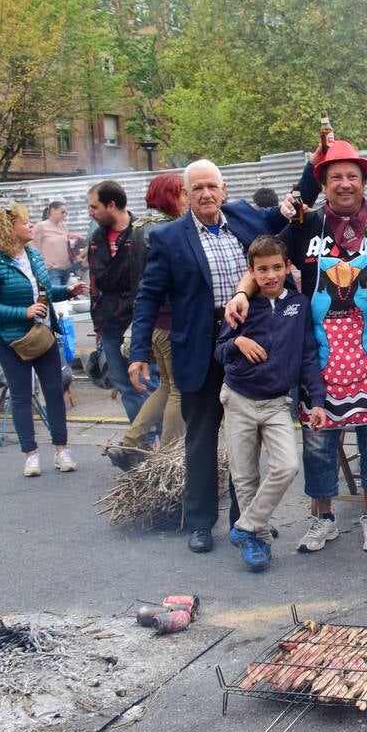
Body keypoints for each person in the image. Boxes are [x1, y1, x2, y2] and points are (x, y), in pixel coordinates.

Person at [254, 140, 367, 554]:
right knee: (319, 443)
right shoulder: (306, 224)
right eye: (335, 176)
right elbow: (263, 257)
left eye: (352, 177)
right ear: (323, 183)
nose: (344, 184)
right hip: (317, 358)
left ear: (364, 181)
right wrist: (241, 293)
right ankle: (321, 518)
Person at [129, 159, 288, 554]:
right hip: (197, 350)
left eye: (211, 187)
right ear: (184, 194)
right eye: (196, 188)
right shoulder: (168, 238)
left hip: (243, 345)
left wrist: (317, 162)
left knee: (245, 440)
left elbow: (287, 216)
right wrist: (138, 352)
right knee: (200, 439)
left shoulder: (241, 219)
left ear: (224, 190)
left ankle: (245, 519)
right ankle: (200, 522)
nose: (205, 194)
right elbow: (148, 297)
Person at [216, 235, 327, 572]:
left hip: (278, 402)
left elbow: (308, 354)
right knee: (244, 476)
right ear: (251, 271)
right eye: (262, 269)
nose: (270, 275)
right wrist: (239, 341)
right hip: (239, 398)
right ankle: (257, 541)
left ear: (287, 267)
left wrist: (317, 400)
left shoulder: (299, 304)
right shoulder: (241, 306)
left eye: (277, 267)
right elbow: (220, 352)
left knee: (286, 466)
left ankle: (244, 527)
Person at [0, 205, 88, 476]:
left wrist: (66, 291)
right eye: (25, 222)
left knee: (54, 391)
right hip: (11, 340)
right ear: (8, 228)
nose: (31, 225)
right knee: (22, 396)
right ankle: (31, 455)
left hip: (43, 334)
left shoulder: (33, 254)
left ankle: (62, 450)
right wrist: (21, 312)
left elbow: (44, 292)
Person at [107, 174, 187, 469]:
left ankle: (130, 443)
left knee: (165, 386)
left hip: (151, 320)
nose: (186, 198)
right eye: (182, 193)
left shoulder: (139, 227)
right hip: (170, 320)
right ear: (170, 195)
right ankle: (167, 456)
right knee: (178, 388)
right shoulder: (166, 229)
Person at [88, 180, 154, 422]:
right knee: (124, 386)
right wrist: (97, 324)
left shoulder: (142, 232)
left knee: (147, 383)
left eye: (94, 207)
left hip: (138, 321)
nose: (90, 212)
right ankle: (143, 445)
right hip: (109, 323)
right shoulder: (96, 238)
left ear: (111, 204)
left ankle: (156, 443)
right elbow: (94, 282)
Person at [32, 201, 73, 287]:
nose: (64, 215)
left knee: (66, 297)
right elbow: (33, 247)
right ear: (53, 210)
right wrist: (41, 265)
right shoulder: (41, 226)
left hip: (66, 268)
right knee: (57, 297)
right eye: (62, 212)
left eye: (66, 213)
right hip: (52, 270)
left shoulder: (63, 226)